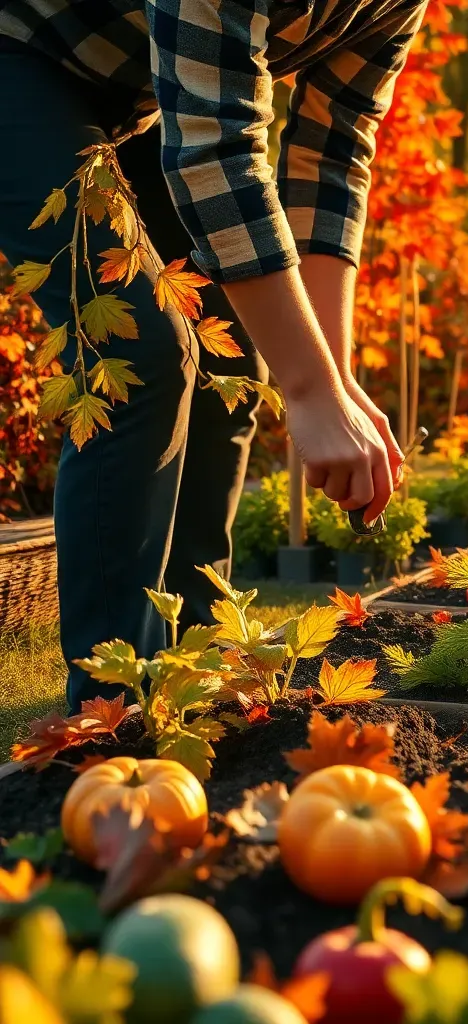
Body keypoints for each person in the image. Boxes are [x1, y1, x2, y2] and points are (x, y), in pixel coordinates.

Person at [0, 0, 426, 711]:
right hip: (19, 55)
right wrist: (309, 390)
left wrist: (333, 379)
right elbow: (216, 143)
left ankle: (203, 676)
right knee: (140, 350)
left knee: (230, 352)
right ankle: (117, 709)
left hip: (137, 94)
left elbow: (332, 157)